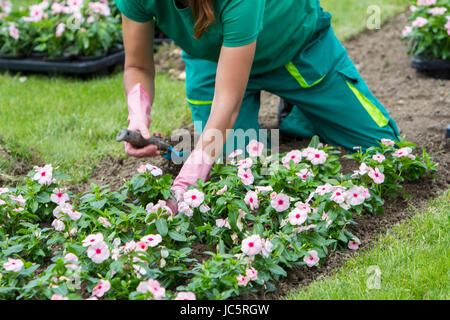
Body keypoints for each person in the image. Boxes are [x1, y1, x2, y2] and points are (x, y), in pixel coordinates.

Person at [115, 0, 400, 211]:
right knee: (236, 168)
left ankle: (300, 112)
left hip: (291, 47)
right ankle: (302, 112)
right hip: (215, 62)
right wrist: (138, 114)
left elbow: (228, 102)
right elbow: (138, 65)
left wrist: (185, 181)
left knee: (384, 146)